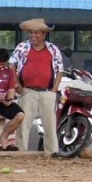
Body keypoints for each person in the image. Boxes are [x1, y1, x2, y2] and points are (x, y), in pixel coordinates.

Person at [9, 18, 64, 155]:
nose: (33, 36)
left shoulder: (52, 49)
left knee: (50, 124)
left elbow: (60, 70)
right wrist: (16, 83)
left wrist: (54, 91)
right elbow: (12, 64)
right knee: (23, 123)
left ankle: (51, 152)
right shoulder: (22, 47)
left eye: (37, 33)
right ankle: (21, 151)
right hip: (27, 91)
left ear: (44, 34)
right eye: (31, 33)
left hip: (47, 92)